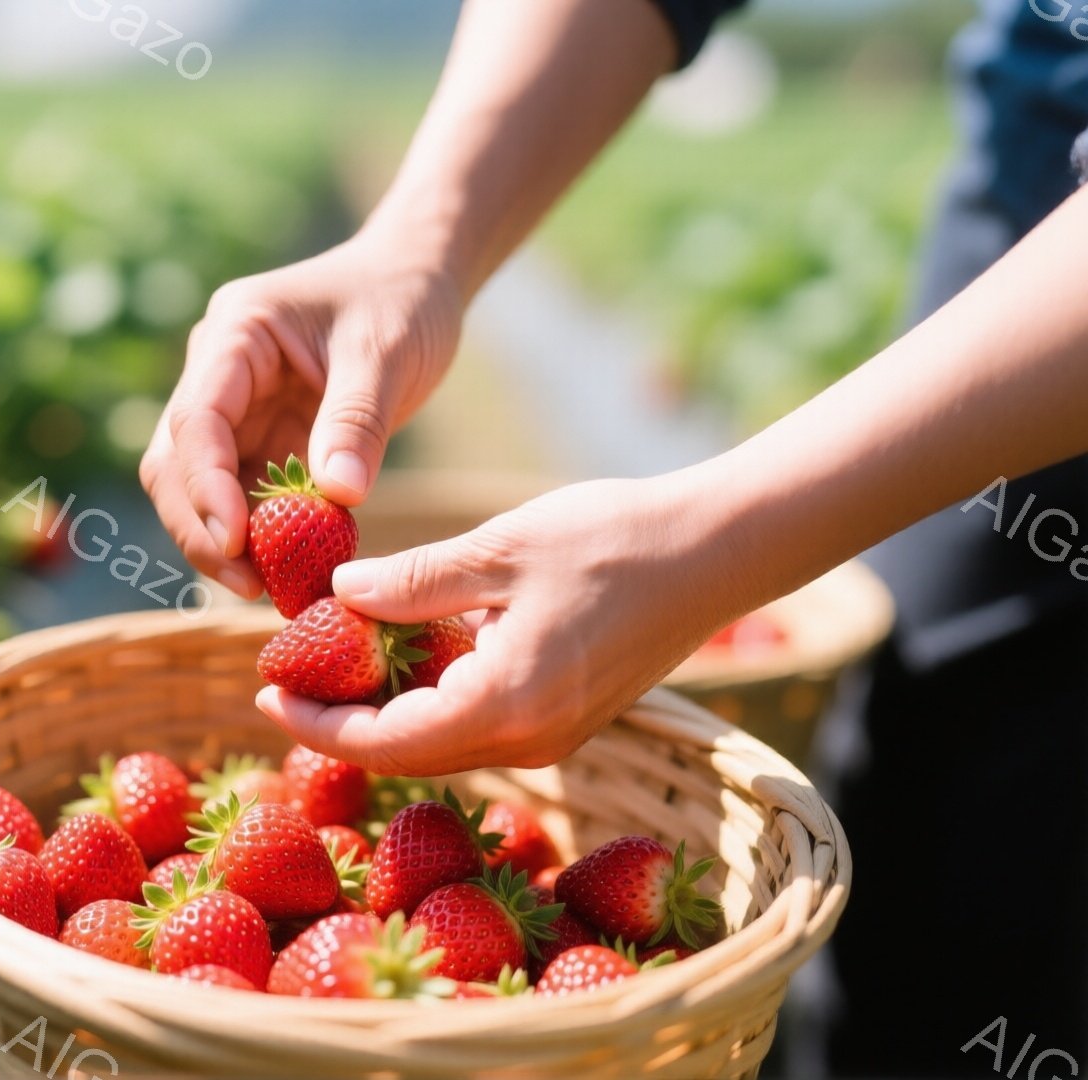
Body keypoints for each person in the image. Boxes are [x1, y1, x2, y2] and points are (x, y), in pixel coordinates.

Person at [139, 1, 1088, 1073]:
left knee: (1002, 856)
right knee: (942, 805)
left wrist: (715, 541)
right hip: (1047, 96)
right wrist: (415, 251)